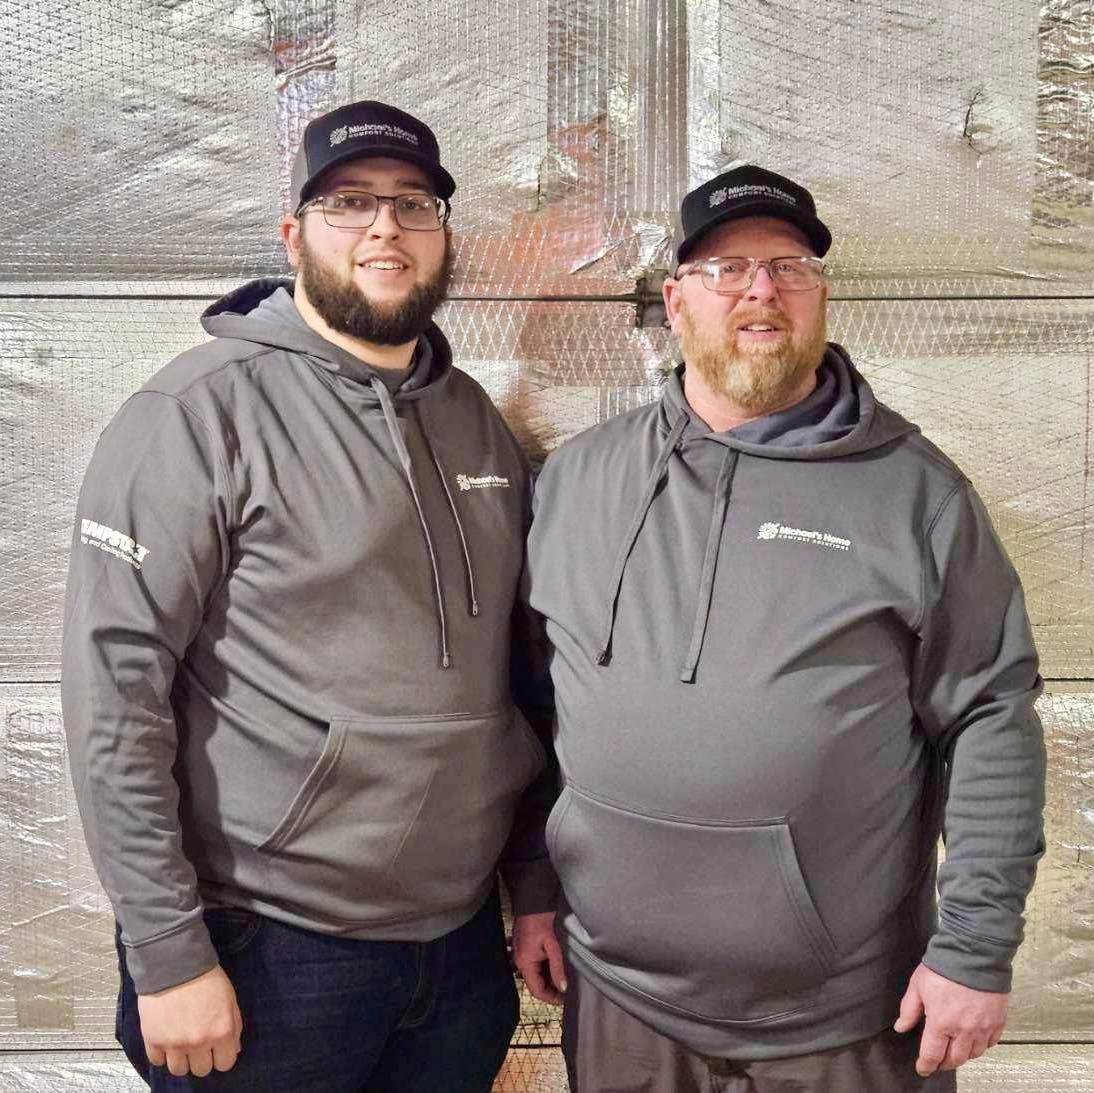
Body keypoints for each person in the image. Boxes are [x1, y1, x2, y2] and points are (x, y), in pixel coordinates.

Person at [513, 165, 1046, 1091]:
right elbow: (533, 702)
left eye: (790, 266)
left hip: (845, 1020)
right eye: (727, 268)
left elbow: (991, 720)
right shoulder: (578, 480)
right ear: (677, 302)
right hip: (622, 1008)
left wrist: (974, 949)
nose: (762, 289)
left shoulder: (916, 496)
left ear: (820, 297)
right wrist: (531, 886)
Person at [61, 100, 556, 1092]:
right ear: (295, 234)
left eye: (412, 204)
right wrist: (169, 953)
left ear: (442, 236)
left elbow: (521, 683)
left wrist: (531, 886)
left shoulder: (475, 427)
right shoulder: (197, 414)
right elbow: (113, 697)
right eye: (350, 202)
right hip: (269, 951)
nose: (385, 228)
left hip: (458, 951)